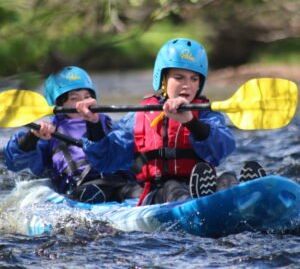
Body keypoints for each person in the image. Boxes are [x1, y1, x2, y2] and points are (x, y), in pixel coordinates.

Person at [81, 38, 267, 205]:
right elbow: (105, 159)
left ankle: (248, 198)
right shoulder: (140, 116)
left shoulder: (206, 115)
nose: (187, 84)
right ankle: (200, 203)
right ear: (162, 80)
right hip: (157, 194)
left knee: (227, 179)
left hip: (197, 184)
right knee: (172, 188)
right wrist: (93, 123)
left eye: (194, 78)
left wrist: (191, 122)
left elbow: (222, 150)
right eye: (179, 77)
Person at [3, 66, 143, 204]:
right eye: (74, 98)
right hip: (83, 187)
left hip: (119, 182)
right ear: (58, 104)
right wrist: (32, 136)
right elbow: (16, 160)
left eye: (87, 97)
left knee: (141, 194)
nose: (83, 103)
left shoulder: (107, 124)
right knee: (95, 192)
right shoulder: (49, 131)